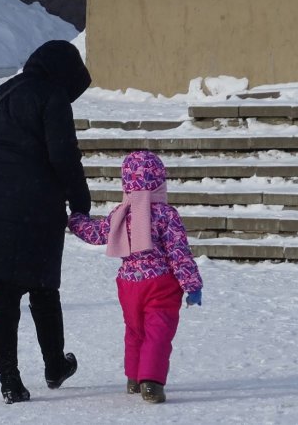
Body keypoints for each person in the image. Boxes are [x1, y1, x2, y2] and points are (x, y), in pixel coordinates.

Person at [0, 40, 92, 404]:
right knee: (43, 288)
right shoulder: (51, 95)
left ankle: (10, 381)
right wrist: (80, 200)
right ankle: (55, 365)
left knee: (2, 296)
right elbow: (63, 155)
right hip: (35, 204)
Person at [67, 150, 203, 404]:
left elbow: (97, 233)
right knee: (157, 332)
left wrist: (76, 221)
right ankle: (150, 382)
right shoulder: (165, 214)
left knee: (135, 331)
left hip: (128, 284)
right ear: (160, 180)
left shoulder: (121, 212)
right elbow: (179, 253)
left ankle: (133, 378)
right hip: (160, 283)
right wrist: (192, 285)